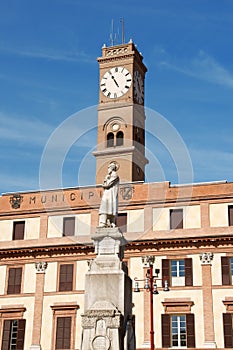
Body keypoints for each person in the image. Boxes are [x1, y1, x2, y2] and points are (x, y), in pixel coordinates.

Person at [98, 162, 119, 228]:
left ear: (112, 168)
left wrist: (106, 179)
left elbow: (107, 185)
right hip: (108, 194)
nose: (108, 169)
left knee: (106, 208)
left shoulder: (114, 175)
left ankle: (105, 222)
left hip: (110, 195)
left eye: (108, 168)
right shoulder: (110, 176)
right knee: (105, 208)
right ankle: (104, 222)